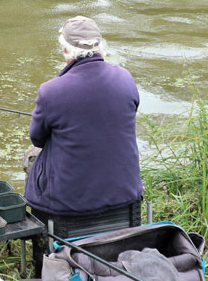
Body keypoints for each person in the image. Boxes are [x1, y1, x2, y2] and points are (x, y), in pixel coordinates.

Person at [24, 15, 142, 221]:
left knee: (31, 155)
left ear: (65, 51)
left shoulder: (51, 91)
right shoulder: (125, 78)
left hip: (67, 205)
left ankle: (43, 236)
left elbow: (37, 139)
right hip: (126, 194)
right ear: (100, 48)